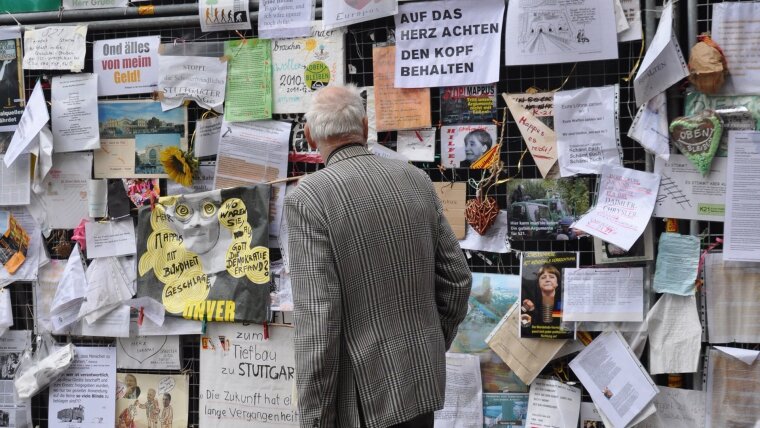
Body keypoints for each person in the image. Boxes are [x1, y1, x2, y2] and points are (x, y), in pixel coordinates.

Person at [285, 84, 472, 428]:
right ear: (365, 127)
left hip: (360, 401)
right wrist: (429, 342)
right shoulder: (414, 178)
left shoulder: (308, 198)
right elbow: (458, 280)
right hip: (419, 384)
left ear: (310, 136)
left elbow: (318, 321)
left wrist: (314, 420)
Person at [520, 264, 562, 329]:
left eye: (551, 277)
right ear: (539, 283)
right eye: (543, 277)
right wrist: (532, 310)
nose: (547, 280)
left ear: (557, 283)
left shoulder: (563, 300)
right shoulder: (529, 300)